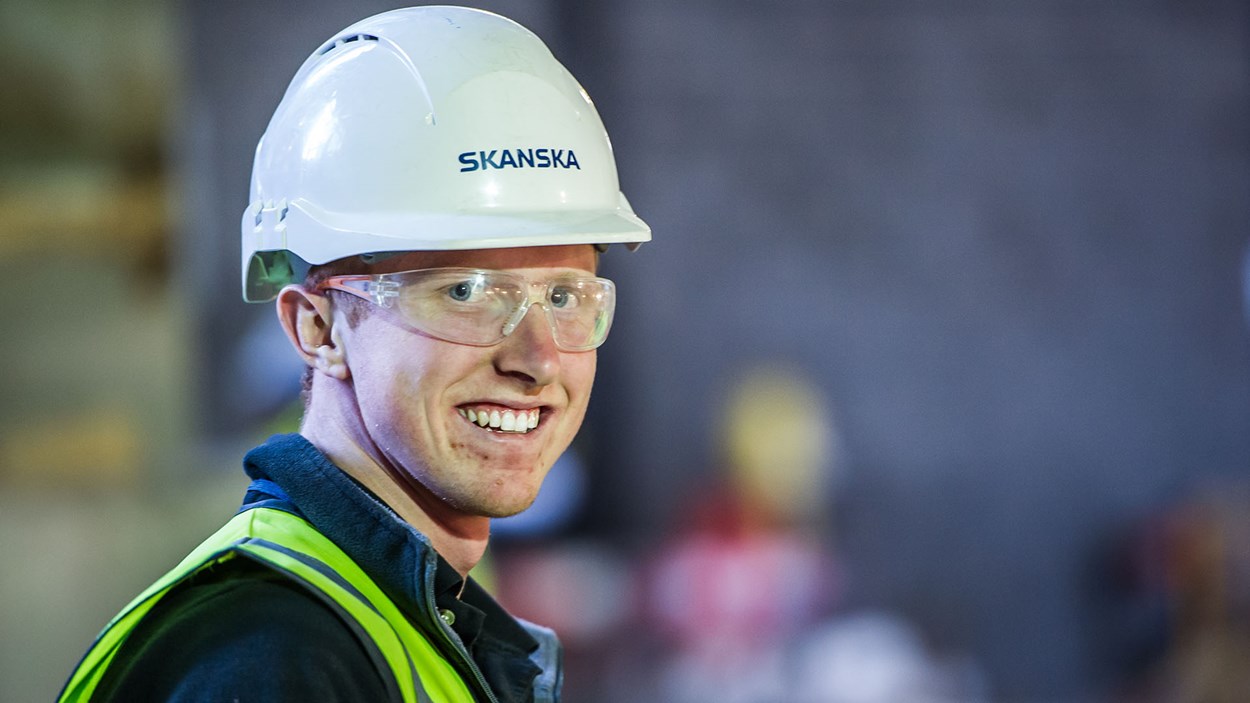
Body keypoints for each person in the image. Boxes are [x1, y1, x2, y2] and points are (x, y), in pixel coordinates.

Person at [58, 6, 649, 703]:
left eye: (563, 296)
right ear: (318, 327)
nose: (539, 358)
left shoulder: (395, 624)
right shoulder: (271, 659)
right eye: (464, 290)